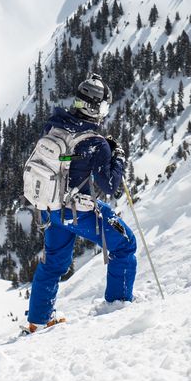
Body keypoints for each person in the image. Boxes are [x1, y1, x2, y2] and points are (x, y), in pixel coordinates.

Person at [27, 73, 137, 330]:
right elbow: (110, 186)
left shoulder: (54, 126)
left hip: (50, 208)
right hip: (78, 212)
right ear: (95, 107)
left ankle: (38, 321)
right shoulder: (96, 144)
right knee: (124, 245)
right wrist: (117, 157)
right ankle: (117, 307)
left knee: (53, 263)